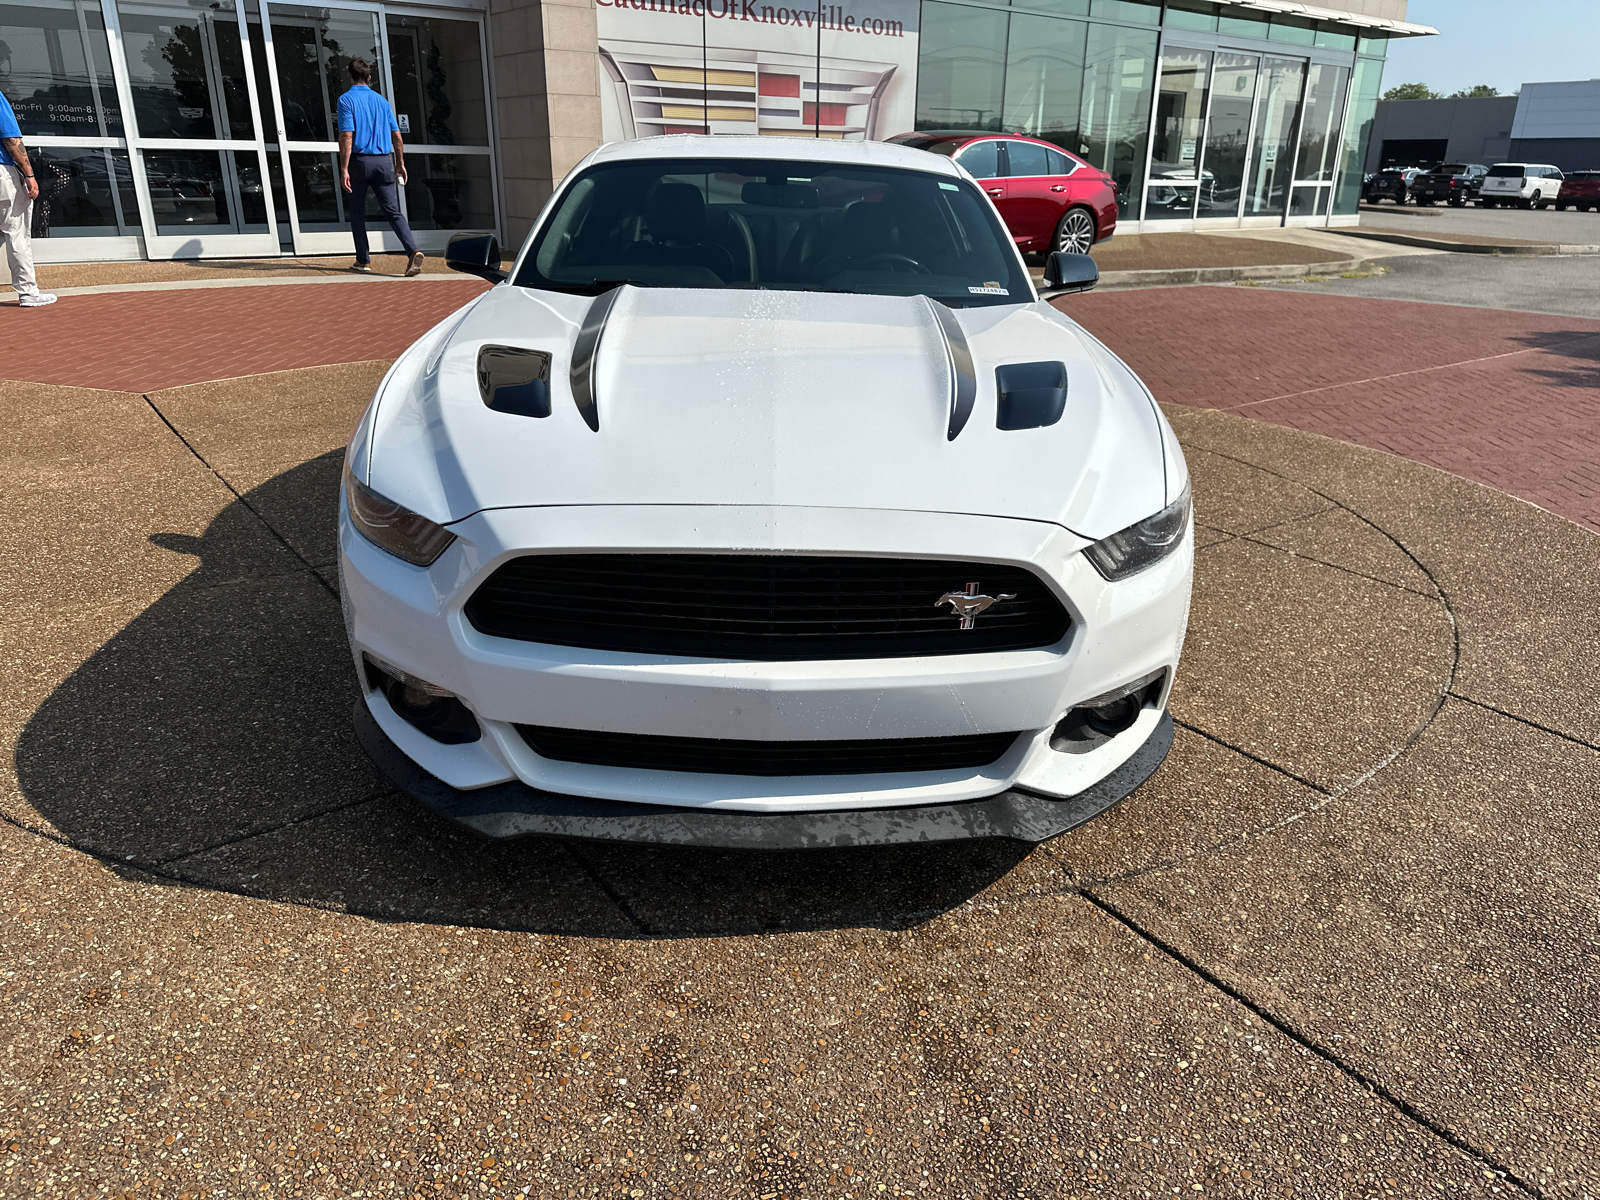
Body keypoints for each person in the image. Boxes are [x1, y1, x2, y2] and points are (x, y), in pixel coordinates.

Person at [336, 59, 424, 277]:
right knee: (393, 211)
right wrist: (400, 163)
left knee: (357, 212)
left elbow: (347, 135)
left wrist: (343, 168)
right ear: (369, 78)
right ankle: (412, 250)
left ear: (349, 76)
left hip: (360, 162)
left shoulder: (346, 100)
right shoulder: (382, 102)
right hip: (384, 161)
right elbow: (396, 135)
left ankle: (363, 260)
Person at [0, 82, 57, 308]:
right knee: (16, 231)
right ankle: (28, 291)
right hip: (2, 172)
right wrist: (29, 174)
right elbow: (11, 139)